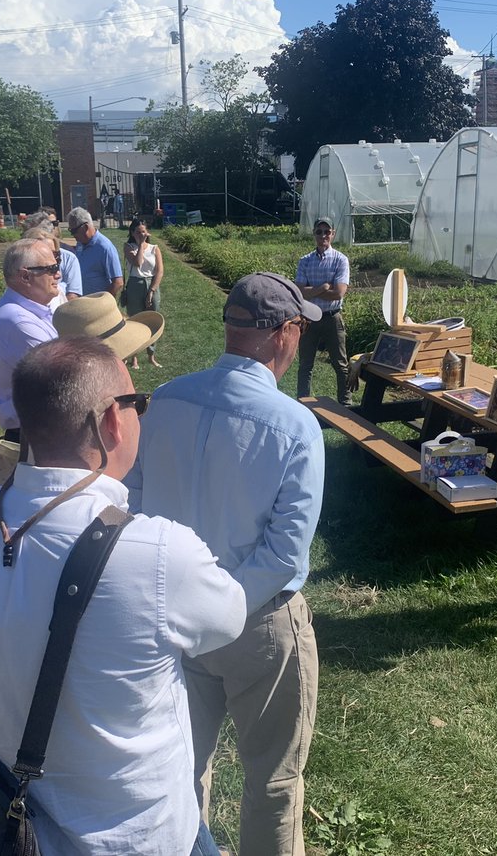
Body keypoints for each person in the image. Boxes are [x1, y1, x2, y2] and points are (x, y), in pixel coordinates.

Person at [0, 337, 245, 855]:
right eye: (138, 404)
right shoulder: (158, 551)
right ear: (112, 420)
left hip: (11, 819)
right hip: (136, 834)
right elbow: (229, 618)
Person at [125, 272, 325, 856]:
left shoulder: (166, 400)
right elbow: (286, 551)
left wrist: (188, 601)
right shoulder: (296, 425)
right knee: (274, 775)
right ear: (286, 334)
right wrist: (225, 604)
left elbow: (134, 501)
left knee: (182, 764)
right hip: (256, 619)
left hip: (173, 610)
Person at [0, 238, 62, 486]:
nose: (58, 273)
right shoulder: (16, 321)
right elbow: (66, 374)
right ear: (25, 277)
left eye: (56, 264)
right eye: (50, 268)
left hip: (38, 432)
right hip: (34, 438)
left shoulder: (31, 312)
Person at [295, 216, 351, 406]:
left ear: (333, 234)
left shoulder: (341, 260)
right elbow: (300, 292)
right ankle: (303, 403)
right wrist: (324, 287)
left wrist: (313, 291)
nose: (323, 235)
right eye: (319, 231)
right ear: (314, 234)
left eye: (327, 231)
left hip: (332, 318)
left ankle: (346, 404)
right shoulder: (305, 261)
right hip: (308, 318)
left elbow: (339, 293)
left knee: (340, 364)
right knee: (305, 365)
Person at [122, 218, 164, 369]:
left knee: (153, 320)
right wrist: (140, 245)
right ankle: (134, 358)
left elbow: (159, 271)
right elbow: (137, 263)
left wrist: (152, 290)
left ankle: (151, 355)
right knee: (135, 320)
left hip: (151, 283)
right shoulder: (129, 247)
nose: (141, 234)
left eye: (143, 231)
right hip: (135, 284)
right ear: (132, 233)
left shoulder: (154, 248)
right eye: (138, 232)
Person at [67, 207, 124, 298]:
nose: (72, 235)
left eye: (74, 231)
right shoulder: (80, 243)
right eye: (70, 231)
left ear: (85, 227)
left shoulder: (105, 247)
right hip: (82, 303)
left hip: (97, 307)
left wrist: (101, 302)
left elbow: (118, 282)